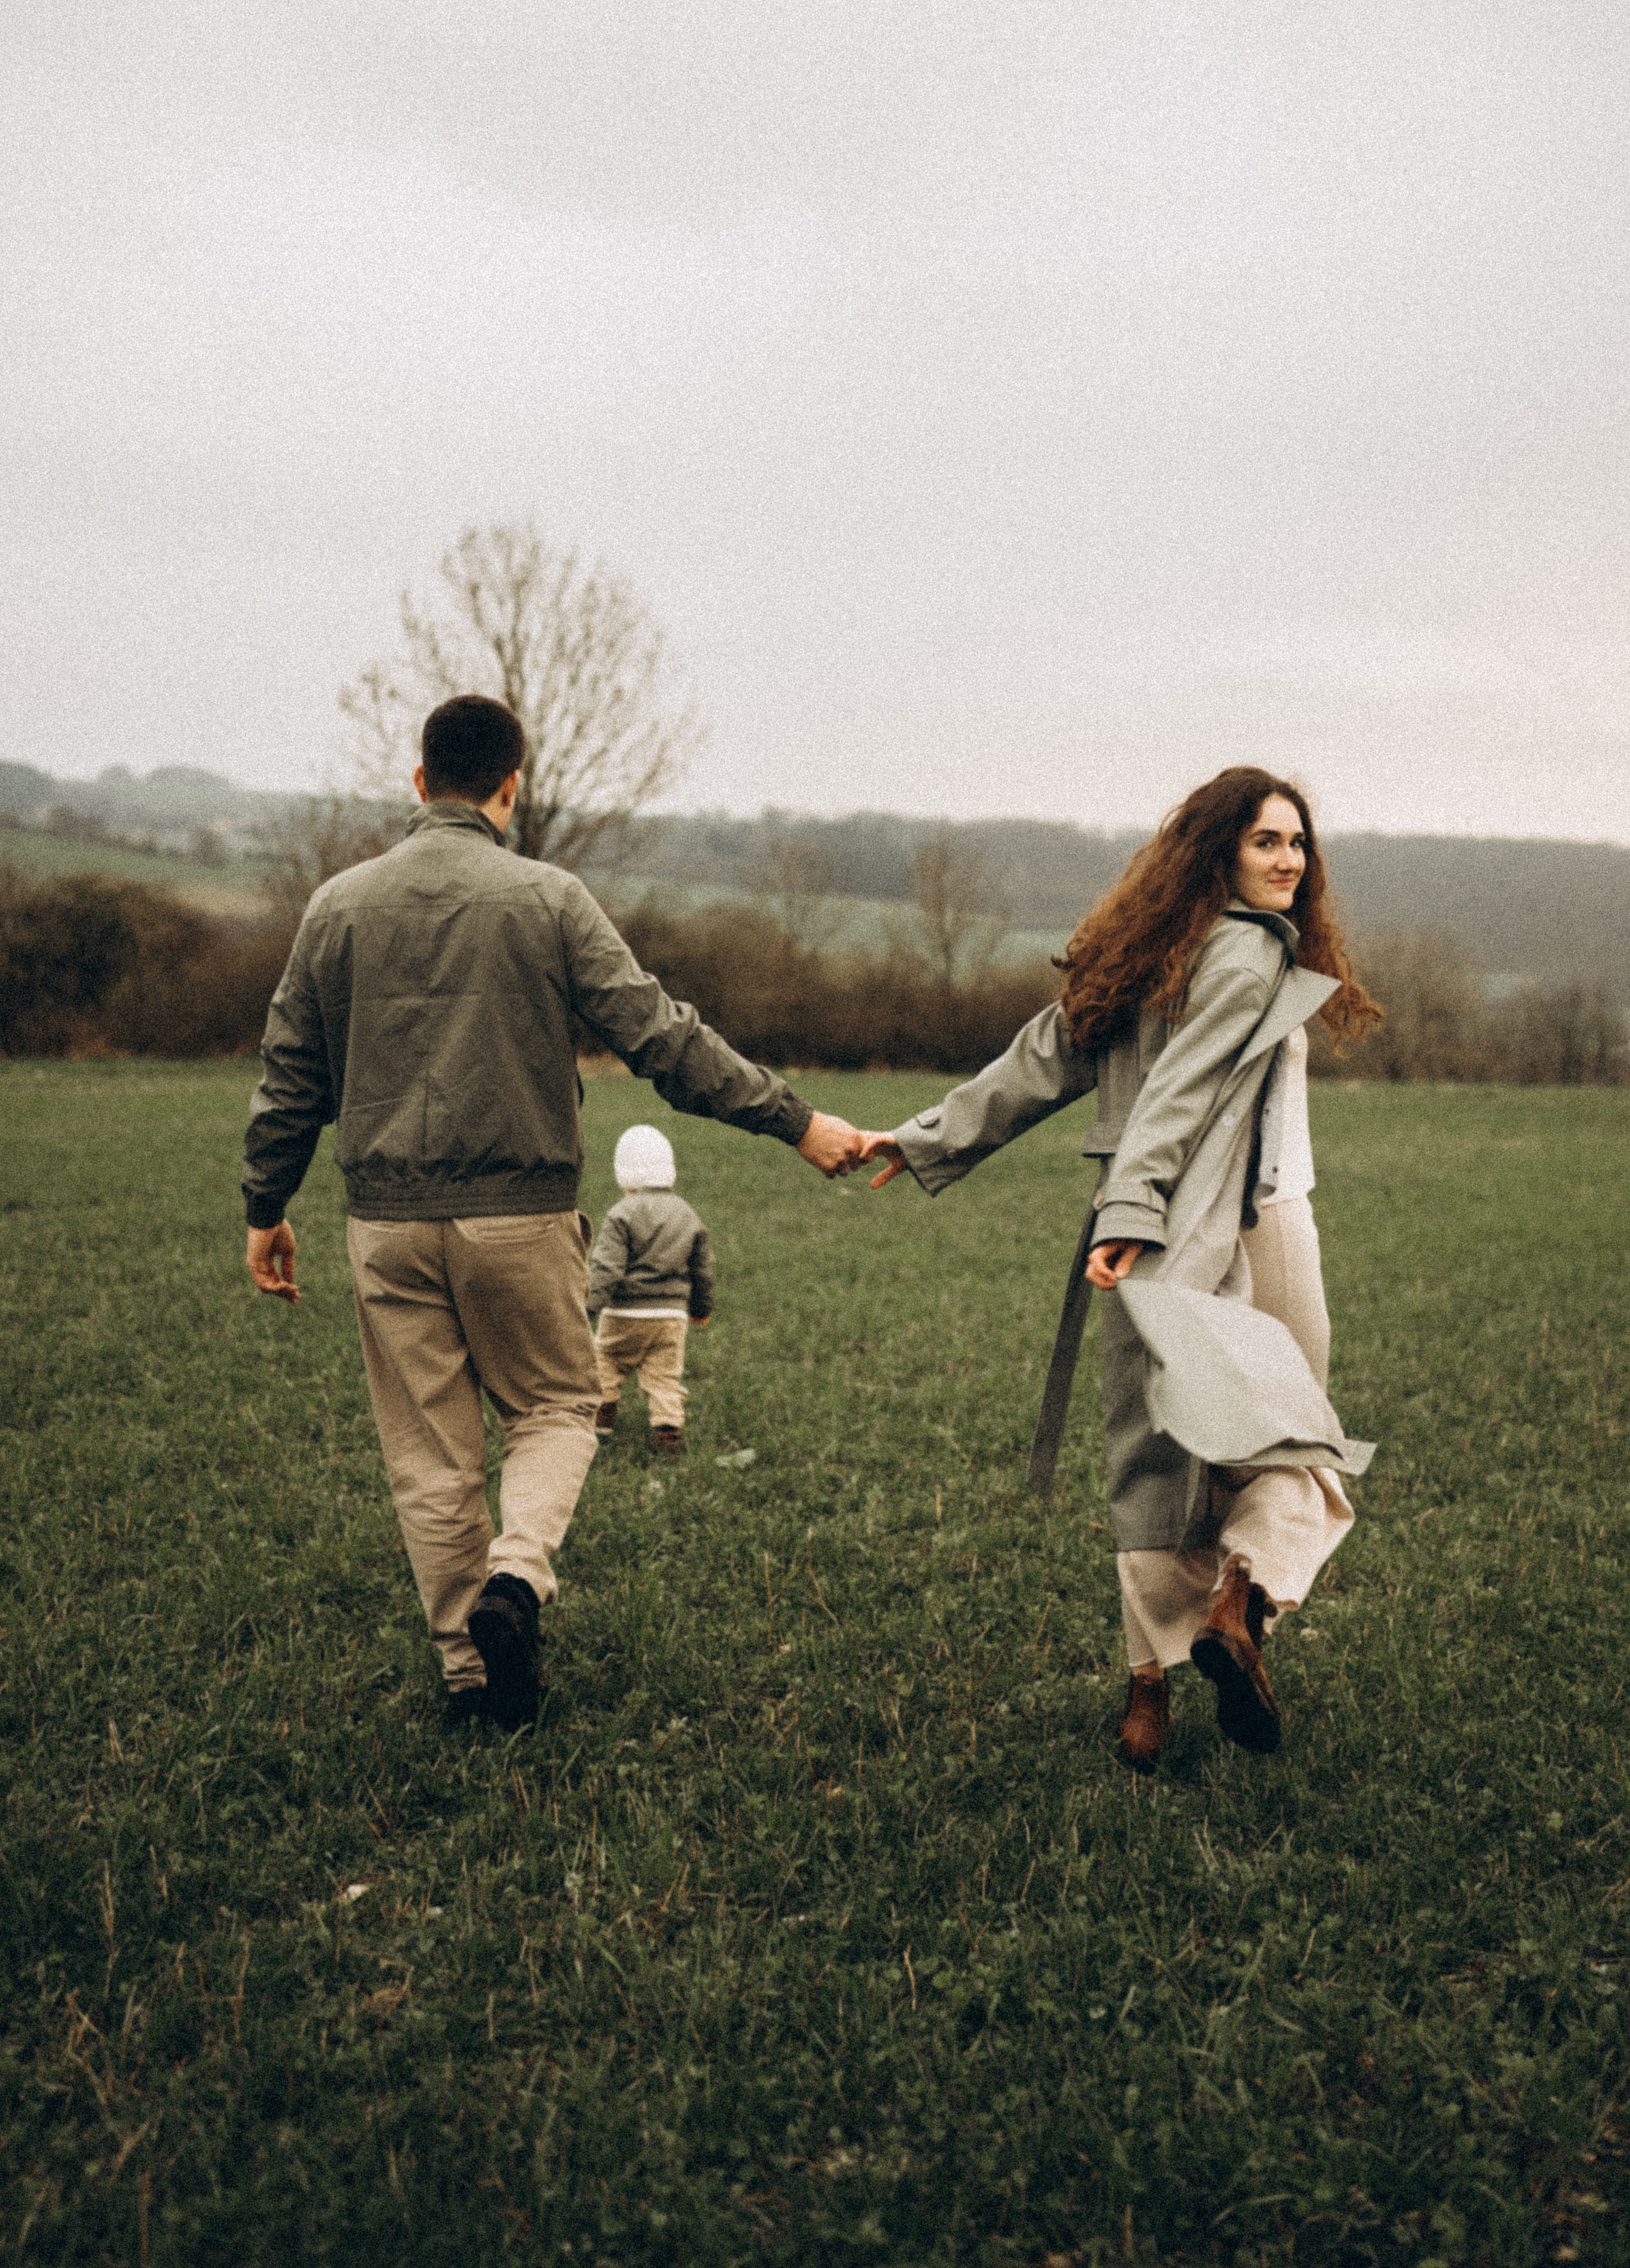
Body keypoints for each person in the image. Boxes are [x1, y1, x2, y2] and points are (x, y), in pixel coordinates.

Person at [241, 693, 859, 1731]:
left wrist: (266, 1204)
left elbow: (289, 1074)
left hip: (384, 1224)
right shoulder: (549, 899)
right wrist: (795, 1122)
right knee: (563, 1407)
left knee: (430, 1457)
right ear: (512, 786)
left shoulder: (337, 906)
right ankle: (515, 1584)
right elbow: (662, 1039)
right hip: (521, 1217)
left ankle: (469, 1681)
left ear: (417, 779)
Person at [854, 769, 1381, 1770]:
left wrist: (925, 1139)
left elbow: (1038, 1060)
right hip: (1238, 1222)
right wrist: (1138, 1208)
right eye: (1267, 842)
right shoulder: (1250, 954)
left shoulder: (1146, 949)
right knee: (1290, 1437)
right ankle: (1240, 1601)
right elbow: (1174, 1096)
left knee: (1155, 1451)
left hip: (1157, 1221)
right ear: (1221, 851)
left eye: (1299, 845)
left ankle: (1151, 1693)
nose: (1289, 862)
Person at [587, 1123, 713, 1454]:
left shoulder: (621, 1214)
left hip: (624, 1313)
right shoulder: (687, 1214)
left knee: (606, 1361)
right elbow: (703, 1270)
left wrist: (587, 1308)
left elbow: (607, 1269)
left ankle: (603, 1416)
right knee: (664, 1377)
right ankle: (668, 1429)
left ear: (623, 1175)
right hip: (671, 1317)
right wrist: (700, 1309)